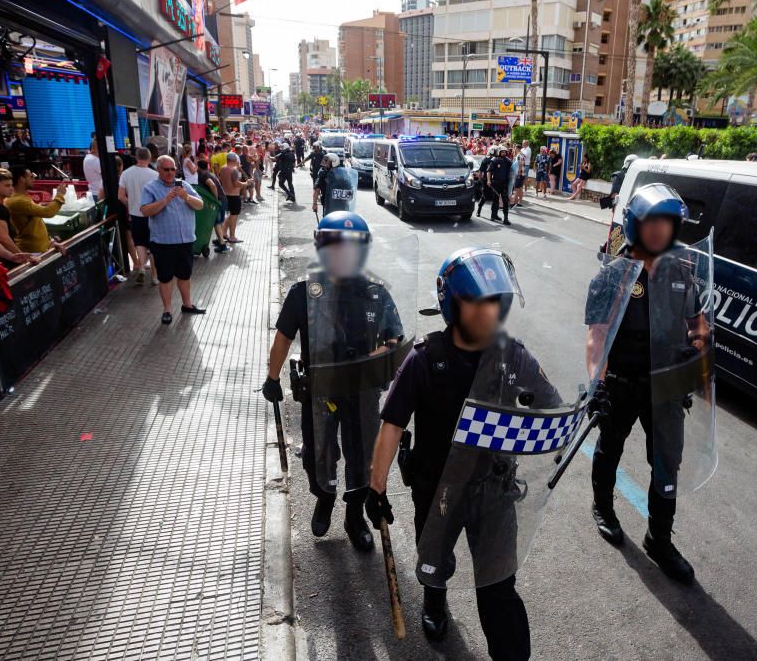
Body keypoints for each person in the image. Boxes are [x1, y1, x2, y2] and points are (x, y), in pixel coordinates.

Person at [364, 247, 552, 656]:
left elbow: (549, 407)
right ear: (452, 303)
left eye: (494, 301)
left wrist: (584, 409)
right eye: (475, 301)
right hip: (439, 488)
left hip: (494, 489)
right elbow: (392, 424)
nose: (486, 311)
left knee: (499, 587)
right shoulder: (425, 359)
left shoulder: (512, 354)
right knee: (433, 559)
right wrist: (375, 489)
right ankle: (435, 596)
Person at [262, 212, 402, 552]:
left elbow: (394, 338)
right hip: (320, 390)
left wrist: (380, 354)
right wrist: (272, 377)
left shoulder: (374, 292)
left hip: (361, 390)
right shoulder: (306, 292)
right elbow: (283, 336)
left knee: (361, 455)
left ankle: (353, 516)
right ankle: (324, 496)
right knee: (317, 453)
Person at [587, 183, 701, 584]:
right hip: (620, 381)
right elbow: (597, 335)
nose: (659, 231)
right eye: (652, 222)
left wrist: (697, 351)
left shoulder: (682, 271)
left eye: (667, 223)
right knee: (610, 446)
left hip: (665, 385)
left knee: (667, 460)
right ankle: (602, 505)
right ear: (637, 224)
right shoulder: (613, 274)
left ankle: (660, 538)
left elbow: (696, 323)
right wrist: (595, 384)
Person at [139, 155, 205, 324]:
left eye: (173, 169)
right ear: (158, 170)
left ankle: (187, 304)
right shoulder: (150, 188)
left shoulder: (184, 185)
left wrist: (187, 197)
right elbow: (145, 211)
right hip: (163, 242)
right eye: (166, 169)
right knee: (165, 277)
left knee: (185, 275)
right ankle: (167, 310)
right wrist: (166, 200)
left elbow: (201, 205)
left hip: (185, 241)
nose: (170, 172)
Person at [118, 147, 160, 285]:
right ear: (149, 158)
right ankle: (154, 275)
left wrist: (131, 206)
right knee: (153, 245)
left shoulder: (126, 173)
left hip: (135, 215)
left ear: (136, 157)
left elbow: (120, 196)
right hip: (152, 214)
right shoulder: (154, 175)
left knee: (140, 243)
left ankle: (141, 267)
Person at [5, 166, 66, 254]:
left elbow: (35, 223)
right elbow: (48, 212)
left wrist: (50, 242)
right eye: (31, 177)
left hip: (39, 247)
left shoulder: (21, 197)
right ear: (21, 179)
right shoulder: (18, 200)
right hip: (33, 251)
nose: (34, 179)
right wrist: (59, 195)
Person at [219, 152, 253, 245]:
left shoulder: (223, 168)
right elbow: (236, 183)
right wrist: (246, 183)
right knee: (234, 217)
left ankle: (224, 233)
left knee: (230, 215)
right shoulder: (233, 170)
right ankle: (232, 236)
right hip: (233, 196)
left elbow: (223, 180)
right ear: (234, 160)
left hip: (226, 195)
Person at [197, 159, 229, 254]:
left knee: (216, 223)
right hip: (223, 199)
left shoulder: (204, 175)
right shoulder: (210, 173)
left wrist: (215, 200)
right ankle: (219, 239)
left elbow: (212, 186)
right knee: (218, 221)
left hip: (219, 201)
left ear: (199, 167)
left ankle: (222, 245)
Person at [487, 146, 513, 225]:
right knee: (495, 200)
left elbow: (513, 169)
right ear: (499, 152)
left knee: (505, 201)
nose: (503, 153)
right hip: (496, 183)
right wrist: (488, 180)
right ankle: (493, 215)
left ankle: (506, 218)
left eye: (505, 152)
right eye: (502, 152)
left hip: (505, 183)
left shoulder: (508, 161)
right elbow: (489, 171)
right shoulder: (494, 160)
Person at [475, 146, 497, 218]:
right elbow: (480, 171)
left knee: (494, 198)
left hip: (494, 181)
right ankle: (479, 210)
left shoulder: (497, 160)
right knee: (484, 196)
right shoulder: (486, 160)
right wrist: (480, 179)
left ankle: (493, 215)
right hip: (486, 180)